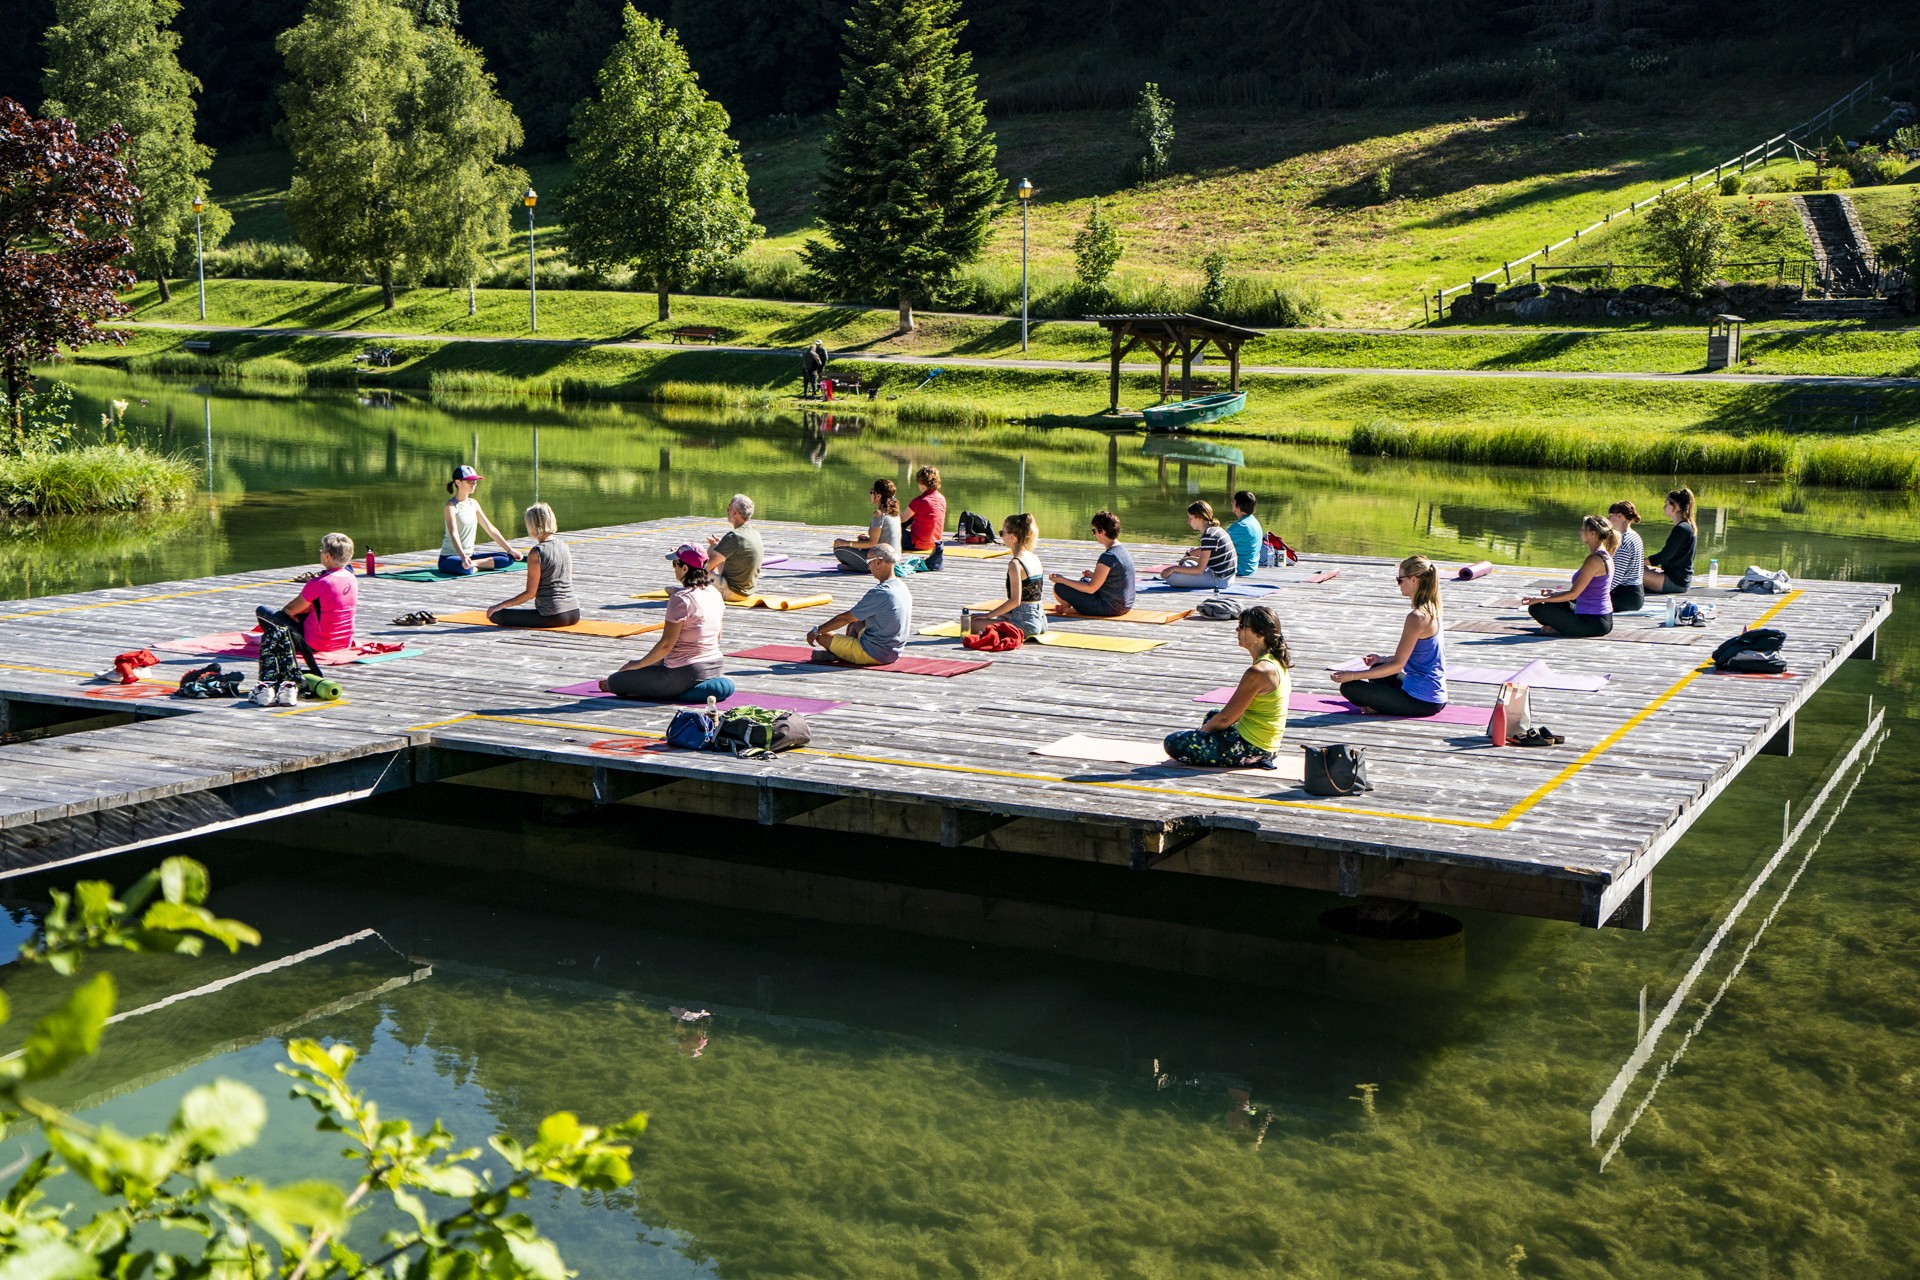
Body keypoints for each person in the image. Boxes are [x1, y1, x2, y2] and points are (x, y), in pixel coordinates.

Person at [1163, 606, 1291, 768]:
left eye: (1242, 627)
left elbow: (1226, 719)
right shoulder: (1275, 661)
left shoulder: (1258, 671)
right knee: (1213, 715)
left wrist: (1199, 734)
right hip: (1266, 745)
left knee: (1174, 742)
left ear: (1259, 634)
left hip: (1252, 748)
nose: (1237, 629)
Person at [601, 545, 724, 699]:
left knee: (615, 681)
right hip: (716, 665)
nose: (674, 569)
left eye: (675, 564)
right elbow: (717, 636)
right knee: (649, 666)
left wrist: (638, 664)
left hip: (685, 672)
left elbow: (666, 645)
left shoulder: (680, 599)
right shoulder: (714, 593)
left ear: (684, 569)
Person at [1331, 555, 1448, 716]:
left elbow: (1397, 666)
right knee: (1378, 667)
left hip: (1422, 701)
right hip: (1433, 695)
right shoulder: (1432, 608)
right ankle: (1380, 703)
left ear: (1414, 580)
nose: (1398, 584)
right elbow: (1411, 655)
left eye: (1400, 579)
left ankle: (1380, 705)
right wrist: (1382, 659)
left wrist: (1352, 675)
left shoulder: (1417, 617)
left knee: (1349, 687)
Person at [257, 532, 358, 668]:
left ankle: (282, 642)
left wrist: (296, 615)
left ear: (328, 556)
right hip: (343, 642)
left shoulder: (319, 582)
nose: (321, 552)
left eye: (322, 549)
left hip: (317, 644)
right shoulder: (352, 578)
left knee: (263, 611)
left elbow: (289, 610)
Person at [808, 544, 911, 666]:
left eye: (869, 561)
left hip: (873, 654)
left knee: (822, 636)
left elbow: (845, 618)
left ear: (878, 562)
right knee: (856, 622)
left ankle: (841, 654)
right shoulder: (902, 586)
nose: (868, 566)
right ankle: (841, 652)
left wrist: (816, 631)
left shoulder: (881, 592)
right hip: (894, 651)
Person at [485, 503, 579, 628]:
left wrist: (501, 605)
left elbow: (530, 593)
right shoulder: (564, 546)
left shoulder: (537, 552)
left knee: (496, 615)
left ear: (533, 524)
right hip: (574, 612)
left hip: (552, 615)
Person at [1524, 515, 1619, 637]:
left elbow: (1574, 594)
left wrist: (1541, 599)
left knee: (1536, 608)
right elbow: (1583, 592)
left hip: (1593, 622)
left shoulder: (1594, 559)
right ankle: (1559, 627)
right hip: (1596, 617)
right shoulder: (1604, 555)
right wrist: (1554, 594)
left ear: (1593, 534)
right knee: (1552, 603)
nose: (1580, 532)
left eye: (1583, 529)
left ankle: (1558, 628)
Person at [1050, 510, 1137, 617]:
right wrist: (1093, 575)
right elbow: (1117, 576)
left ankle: (1072, 609)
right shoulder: (1122, 550)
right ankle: (1075, 609)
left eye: (1094, 531)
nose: (1094, 534)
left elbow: (1091, 588)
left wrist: (1062, 580)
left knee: (1060, 587)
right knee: (1084, 581)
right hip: (1124, 605)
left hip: (1111, 607)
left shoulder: (1108, 556)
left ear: (1102, 531)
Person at [439, 464, 521, 575]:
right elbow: (454, 534)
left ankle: (473, 565)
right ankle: (474, 565)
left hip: (470, 556)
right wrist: (463, 557)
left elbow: (490, 528)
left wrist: (510, 549)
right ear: (458, 482)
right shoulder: (451, 507)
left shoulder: (474, 504)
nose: (474, 484)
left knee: (507, 558)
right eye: (470, 481)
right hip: (449, 558)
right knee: (465, 568)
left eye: (475, 481)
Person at [974, 513, 1046, 637]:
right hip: (1040, 620)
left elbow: (1015, 601)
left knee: (971, 623)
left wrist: (987, 615)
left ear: (1012, 537)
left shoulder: (1015, 564)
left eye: (1002, 533)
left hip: (1025, 625)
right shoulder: (1034, 557)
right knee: (1001, 615)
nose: (1001, 536)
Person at [1160, 500, 1237, 589]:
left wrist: (1173, 568)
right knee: (1188, 562)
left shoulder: (1208, 535)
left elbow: (1199, 570)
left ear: (1200, 518)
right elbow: (1207, 561)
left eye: (1190, 518)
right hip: (1227, 576)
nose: (1188, 521)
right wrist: (1189, 558)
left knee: (1171, 577)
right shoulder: (1215, 530)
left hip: (1220, 580)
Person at [834, 478, 902, 572]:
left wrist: (847, 543)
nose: (870, 494)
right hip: (895, 560)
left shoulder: (878, 514)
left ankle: (856, 567)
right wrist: (865, 540)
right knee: (857, 545)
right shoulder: (895, 513)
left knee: (839, 548)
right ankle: (853, 565)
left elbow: (872, 543)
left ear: (878, 496)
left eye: (871, 491)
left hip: (883, 563)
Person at [706, 493, 763, 601]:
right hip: (747, 593)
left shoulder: (734, 536)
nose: (727, 510)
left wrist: (711, 549)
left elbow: (706, 568)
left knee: (696, 572)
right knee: (716, 551)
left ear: (736, 513)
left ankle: (694, 591)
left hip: (732, 592)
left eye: (729, 507)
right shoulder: (755, 533)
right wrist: (720, 547)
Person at [1643, 486, 1697, 595]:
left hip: (1675, 582)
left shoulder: (1681, 529)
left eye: (1667, 504)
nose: (1664, 506)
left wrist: (1641, 562)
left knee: (1632, 569)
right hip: (1676, 578)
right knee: (1640, 568)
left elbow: (1664, 556)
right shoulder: (1685, 527)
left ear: (1675, 506)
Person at [1607, 499, 1646, 613]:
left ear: (1619, 516)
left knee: (1584, 601)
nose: (1609, 519)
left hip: (1626, 596)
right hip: (1635, 594)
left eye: (1611, 515)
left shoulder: (1624, 541)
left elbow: (1618, 576)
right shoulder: (1635, 536)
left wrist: (1599, 592)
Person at [902, 466, 947, 552]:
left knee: (891, 526)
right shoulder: (942, 498)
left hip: (916, 544)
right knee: (913, 514)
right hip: (934, 544)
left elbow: (902, 518)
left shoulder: (919, 501)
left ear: (921, 484)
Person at [1226, 491, 1263, 578]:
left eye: (1234, 501)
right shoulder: (1254, 521)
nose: (1231, 503)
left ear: (1239, 506)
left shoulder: (1241, 526)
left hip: (1240, 568)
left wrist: (1191, 554)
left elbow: (1215, 544)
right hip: (1251, 567)